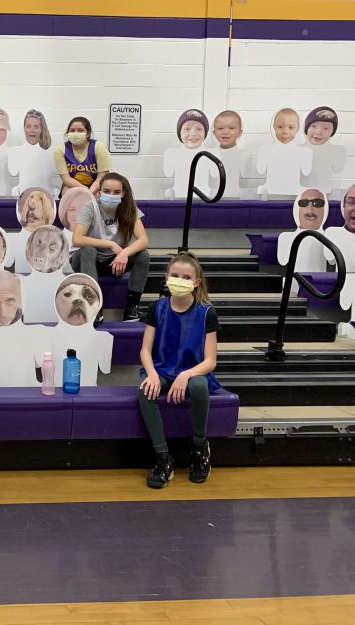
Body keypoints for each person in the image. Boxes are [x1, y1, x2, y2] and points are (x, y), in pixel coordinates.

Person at [138, 252, 220, 489]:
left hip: (193, 369)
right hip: (162, 368)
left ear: (196, 282)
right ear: (166, 278)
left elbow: (210, 361)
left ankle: (199, 446)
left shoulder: (206, 313)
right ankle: (163, 457)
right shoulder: (157, 308)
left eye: (186, 277)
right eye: (175, 275)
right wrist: (152, 374)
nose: (179, 280)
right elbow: (145, 350)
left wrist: (185, 374)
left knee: (198, 385)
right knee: (145, 392)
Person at [71, 172, 150, 321]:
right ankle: (93, 306)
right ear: (99, 192)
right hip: (85, 260)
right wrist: (111, 244)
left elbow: (144, 240)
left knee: (143, 255)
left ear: (123, 193)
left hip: (114, 262)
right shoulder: (90, 207)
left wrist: (124, 253)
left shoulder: (130, 208)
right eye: (107, 191)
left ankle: (132, 308)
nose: (111, 195)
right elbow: (77, 239)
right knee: (88, 250)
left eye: (116, 192)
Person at [55, 116, 111, 195]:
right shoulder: (60, 150)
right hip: (71, 186)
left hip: (96, 185)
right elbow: (66, 179)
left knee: (98, 196)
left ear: (88, 133)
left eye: (80, 130)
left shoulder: (99, 147)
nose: (75, 133)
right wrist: (84, 190)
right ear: (68, 133)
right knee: (71, 195)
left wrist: (90, 192)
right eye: (72, 130)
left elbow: (101, 177)